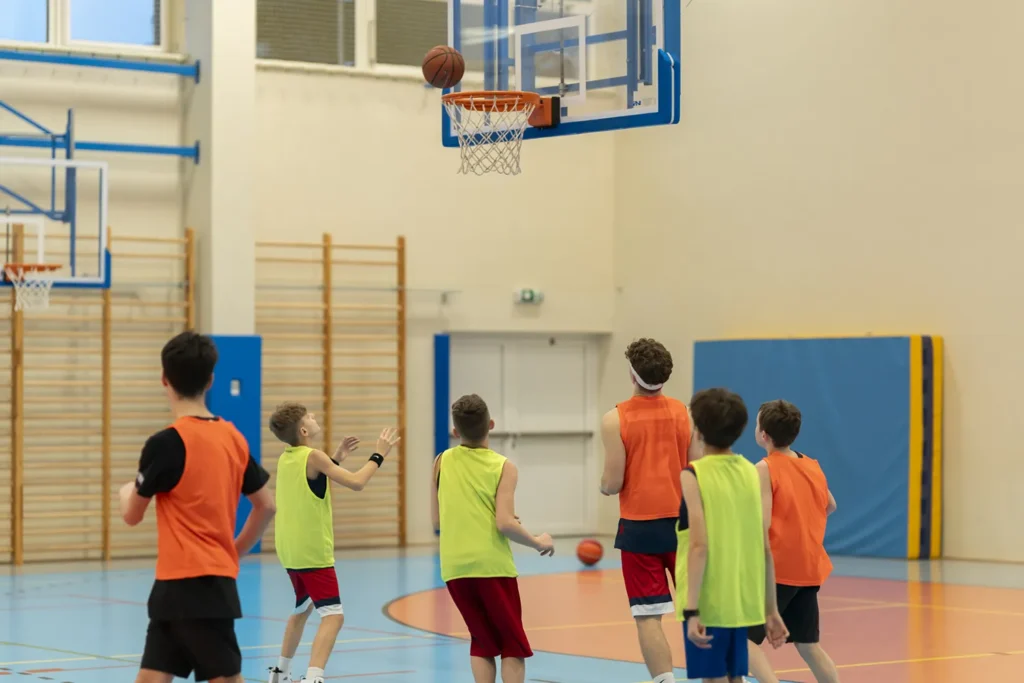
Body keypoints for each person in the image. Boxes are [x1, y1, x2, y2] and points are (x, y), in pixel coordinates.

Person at [118, 331, 277, 683]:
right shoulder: (233, 438)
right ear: (210, 380)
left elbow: (132, 514)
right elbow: (266, 506)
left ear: (164, 378)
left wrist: (125, 491)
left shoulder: (164, 443)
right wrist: (233, 551)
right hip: (204, 588)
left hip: (179, 588)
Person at [265, 403, 401, 683]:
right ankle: (314, 677)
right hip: (311, 550)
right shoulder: (314, 456)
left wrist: (336, 458)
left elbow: (312, 482)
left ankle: (280, 674)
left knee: (302, 608)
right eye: (309, 417)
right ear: (304, 431)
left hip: (289, 549)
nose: (314, 417)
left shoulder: (288, 457)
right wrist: (379, 454)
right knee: (334, 616)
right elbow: (357, 482)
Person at [430, 394, 554, 683]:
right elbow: (504, 523)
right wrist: (538, 541)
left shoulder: (440, 461)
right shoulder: (503, 466)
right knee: (512, 644)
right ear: (491, 425)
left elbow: (437, 522)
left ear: (455, 431)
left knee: (482, 641)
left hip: (455, 568)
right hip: (491, 567)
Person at [676, 388, 788, 683]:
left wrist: (692, 610)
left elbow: (699, 545)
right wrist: (771, 610)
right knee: (734, 677)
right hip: (742, 600)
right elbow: (764, 547)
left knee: (713, 679)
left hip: (709, 601)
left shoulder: (693, 474)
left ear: (698, 430)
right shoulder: (751, 472)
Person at [599, 338, 692, 683]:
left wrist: (603, 485)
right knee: (700, 609)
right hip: (684, 522)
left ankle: (665, 679)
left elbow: (613, 482)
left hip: (639, 528)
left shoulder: (615, 418)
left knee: (648, 615)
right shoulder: (685, 413)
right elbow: (697, 468)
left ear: (632, 374)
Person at [746, 400, 840, 683]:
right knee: (809, 645)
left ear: (763, 434)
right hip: (808, 568)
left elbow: (761, 523)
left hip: (779, 569)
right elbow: (830, 505)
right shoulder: (811, 464)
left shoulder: (764, 468)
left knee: (742, 640)